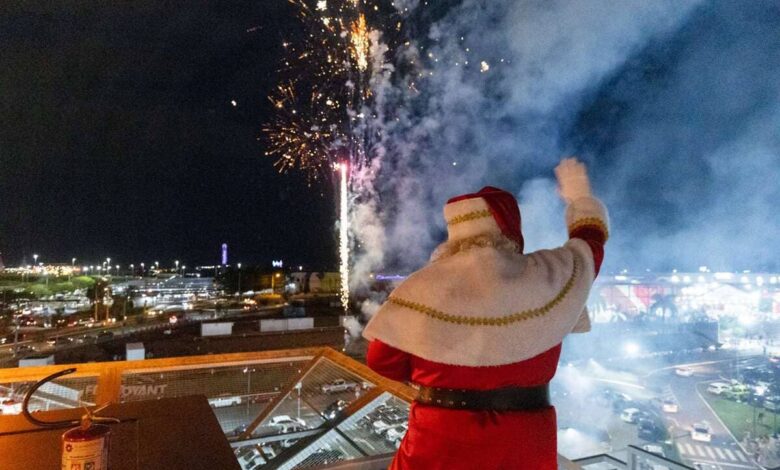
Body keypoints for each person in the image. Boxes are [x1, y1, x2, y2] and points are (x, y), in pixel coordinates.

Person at [362, 158, 608, 469]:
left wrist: (438, 370)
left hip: (437, 444)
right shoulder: (544, 276)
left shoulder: (423, 286)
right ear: (510, 230)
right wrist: (580, 198)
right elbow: (589, 247)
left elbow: (381, 359)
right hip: (524, 448)